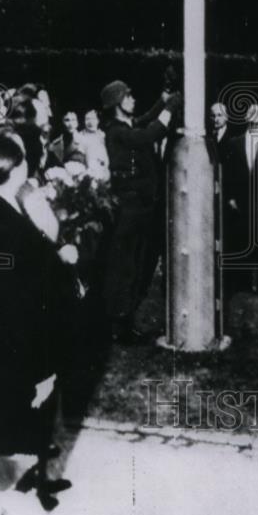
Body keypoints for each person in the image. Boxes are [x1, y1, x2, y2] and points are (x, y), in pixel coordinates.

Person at [0, 131, 73, 514]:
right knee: (19, 426)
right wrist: (43, 370)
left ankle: (28, 482)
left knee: (1, 428)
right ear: (16, 170)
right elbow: (31, 304)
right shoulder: (14, 229)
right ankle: (23, 491)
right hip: (20, 352)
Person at [101, 79, 176, 344]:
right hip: (131, 209)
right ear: (118, 103)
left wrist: (162, 100)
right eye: (129, 96)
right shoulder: (117, 131)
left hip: (139, 207)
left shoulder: (124, 126)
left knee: (138, 264)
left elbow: (144, 119)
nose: (133, 99)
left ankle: (125, 320)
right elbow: (146, 134)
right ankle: (119, 325)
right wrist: (168, 109)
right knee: (127, 267)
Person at [223, 102, 258, 291]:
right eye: (249, 113)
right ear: (245, 118)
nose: (253, 118)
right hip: (241, 201)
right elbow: (228, 174)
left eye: (256, 113)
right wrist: (230, 199)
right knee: (241, 240)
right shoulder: (234, 143)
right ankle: (241, 283)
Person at [77, 108, 110, 181]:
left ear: (98, 120)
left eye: (93, 119)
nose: (90, 122)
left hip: (105, 172)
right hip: (89, 174)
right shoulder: (80, 136)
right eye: (87, 119)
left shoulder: (102, 135)